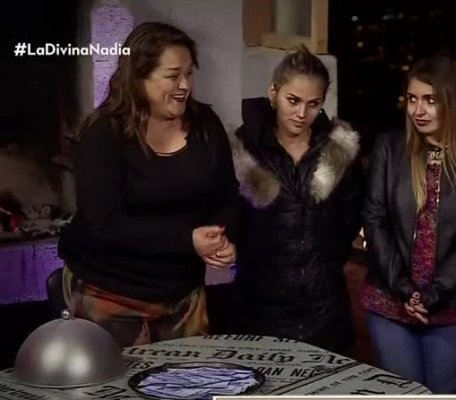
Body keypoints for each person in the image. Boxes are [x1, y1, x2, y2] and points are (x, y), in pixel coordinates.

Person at [58, 22, 240, 347]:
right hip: (110, 290)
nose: (185, 85)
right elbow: (107, 224)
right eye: (172, 76)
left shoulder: (205, 125)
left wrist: (222, 237)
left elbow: (227, 196)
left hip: (183, 292)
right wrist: (188, 239)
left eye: (189, 74)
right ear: (139, 77)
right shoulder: (102, 135)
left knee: (189, 377)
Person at [360, 55, 456, 393]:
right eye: (412, 99)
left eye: (430, 100)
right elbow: (375, 219)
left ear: (452, 102)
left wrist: (435, 293)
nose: (418, 110)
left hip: (454, 306)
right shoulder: (389, 148)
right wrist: (404, 289)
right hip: (391, 300)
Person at [229, 45, 363, 354]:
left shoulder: (338, 151)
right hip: (258, 311)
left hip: (325, 311)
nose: (302, 114)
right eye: (293, 100)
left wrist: (323, 266)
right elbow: (232, 220)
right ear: (273, 92)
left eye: (313, 104)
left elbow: (349, 222)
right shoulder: (244, 148)